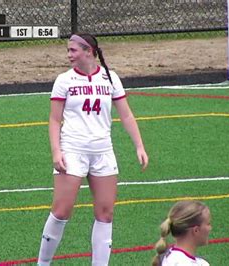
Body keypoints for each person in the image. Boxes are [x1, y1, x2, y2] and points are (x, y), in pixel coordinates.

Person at [37, 33, 149, 266]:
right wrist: (56, 152)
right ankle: (43, 263)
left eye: (73, 50)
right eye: (68, 50)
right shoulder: (64, 80)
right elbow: (54, 120)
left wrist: (139, 145)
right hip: (73, 151)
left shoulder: (110, 78)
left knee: (105, 213)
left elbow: (126, 114)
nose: (69, 55)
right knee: (61, 210)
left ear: (88, 51)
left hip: (103, 152)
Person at [152, 201, 212, 266]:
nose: (210, 228)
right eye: (208, 224)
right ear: (196, 230)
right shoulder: (185, 263)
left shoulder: (169, 256)